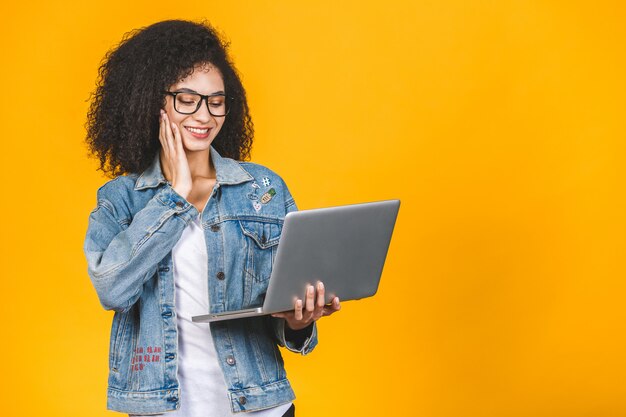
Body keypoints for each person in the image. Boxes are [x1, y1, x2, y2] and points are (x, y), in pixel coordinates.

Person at [83, 19, 340, 417]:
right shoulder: (120, 200)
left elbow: (278, 311)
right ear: (155, 102)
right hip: (164, 408)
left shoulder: (263, 190)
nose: (204, 115)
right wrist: (175, 196)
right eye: (187, 99)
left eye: (215, 101)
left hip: (261, 406)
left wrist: (298, 322)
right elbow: (113, 289)